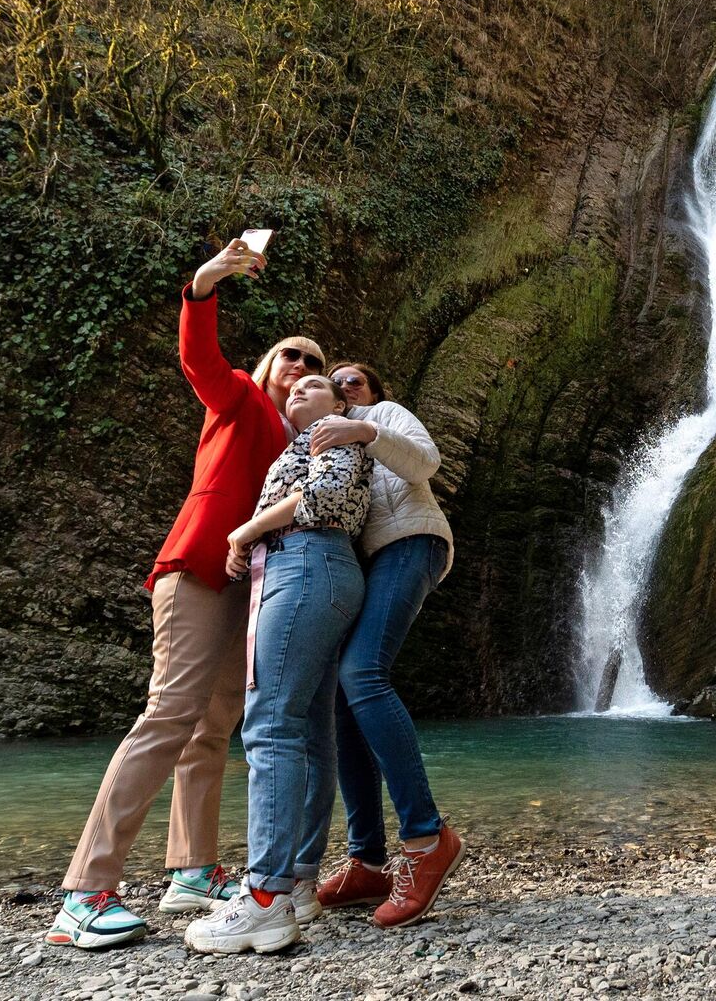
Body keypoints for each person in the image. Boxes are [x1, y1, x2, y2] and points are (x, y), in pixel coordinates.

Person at [50, 240, 325, 950]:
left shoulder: (302, 451)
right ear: (267, 368)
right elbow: (198, 358)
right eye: (291, 354)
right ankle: (84, 893)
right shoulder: (237, 397)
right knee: (169, 714)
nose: (301, 367)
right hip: (198, 569)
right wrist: (204, 284)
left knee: (213, 728)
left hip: (250, 590)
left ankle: (193, 871)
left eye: (315, 364)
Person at [185, 374, 373, 955]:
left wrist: (245, 531)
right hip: (317, 568)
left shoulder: (331, 433)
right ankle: (295, 883)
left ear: (340, 404)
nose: (300, 390)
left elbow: (322, 497)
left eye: (316, 384)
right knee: (311, 732)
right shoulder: (308, 438)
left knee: (269, 726)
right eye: (293, 388)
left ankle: (264, 898)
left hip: (305, 564)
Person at [307, 363, 462, 928]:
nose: (345, 386)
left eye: (356, 381)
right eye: (337, 380)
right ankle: (367, 859)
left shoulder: (383, 418)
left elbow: (426, 463)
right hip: (361, 564)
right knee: (344, 699)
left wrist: (365, 430)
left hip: (409, 542)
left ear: (374, 394)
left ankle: (426, 838)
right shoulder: (315, 441)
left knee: (363, 674)